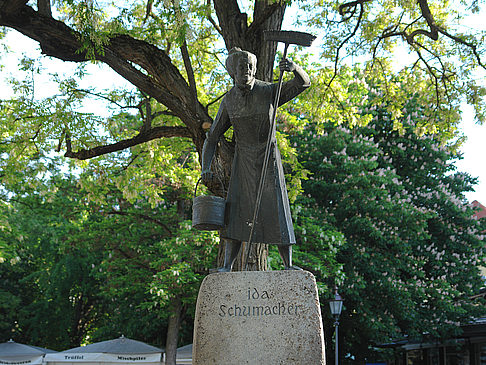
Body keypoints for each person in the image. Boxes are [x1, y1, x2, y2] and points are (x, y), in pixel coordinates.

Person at [201, 47, 311, 272]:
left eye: (251, 66)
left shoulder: (268, 91)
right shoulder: (229, 100)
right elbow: (212, 137)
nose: (247, 70)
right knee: (236, 210)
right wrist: (205, 167)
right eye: (242, 67)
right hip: (243, 160)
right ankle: (227, 266)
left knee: (277, 207)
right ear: (233, 71)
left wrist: (294, 69)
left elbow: (303, 83)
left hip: (268, 157)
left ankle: (288, 264)